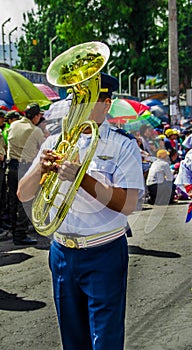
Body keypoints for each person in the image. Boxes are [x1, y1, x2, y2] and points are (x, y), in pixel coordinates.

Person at [17, 72, 144, 350]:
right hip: (62, 252)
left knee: (105, 341)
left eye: (88, 98)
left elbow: (128, 204)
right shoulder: (53, 143)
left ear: (106, 103)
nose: (79, 105)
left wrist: (82, 178)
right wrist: (41, 168)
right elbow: (23, 194)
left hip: (104, 251)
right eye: (75, 97)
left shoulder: (123, 144)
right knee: (72, 341)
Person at [7, 103, 45, 245]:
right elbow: (43, 148)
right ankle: (21, 234)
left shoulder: (14, 125)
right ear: (35, 117)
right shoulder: (35, 131)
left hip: (11, 166)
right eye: (39, 115)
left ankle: (13, 229)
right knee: (25, 200)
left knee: (13, 200)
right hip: (25, 167)